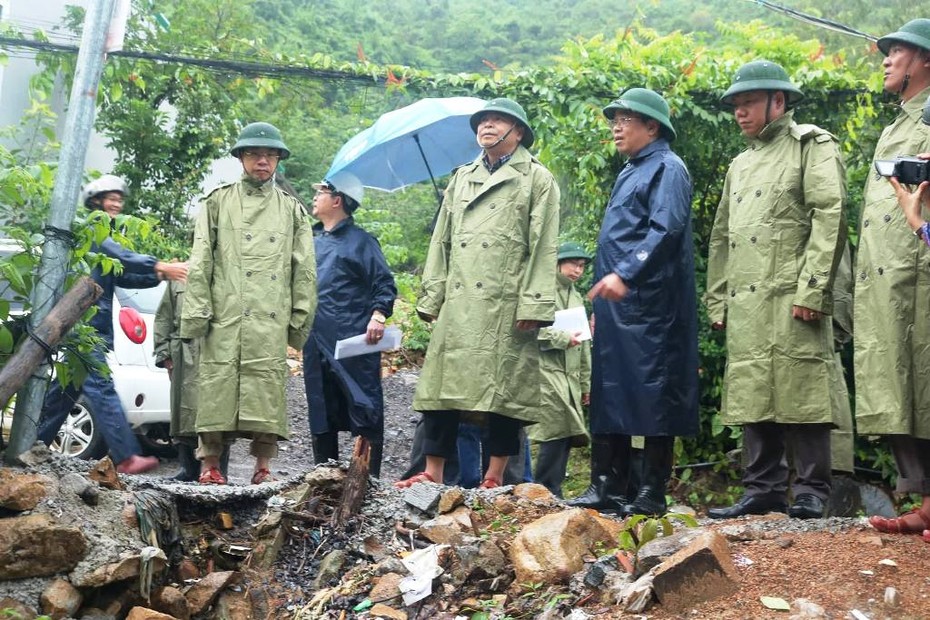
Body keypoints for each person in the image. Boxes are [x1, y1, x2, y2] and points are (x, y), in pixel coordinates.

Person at [705, 60, 847, 520]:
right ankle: (761, 488)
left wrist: (813, 290)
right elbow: (722, 238)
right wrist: (717, 297)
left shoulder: (812, 146)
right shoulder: (739, 166)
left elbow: (830, 215)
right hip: (746, 299)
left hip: (791, 292)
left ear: (778, 101)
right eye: (736, 105)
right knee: (751, 388)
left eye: (748, 102)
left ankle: (810, 490)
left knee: (802, 385)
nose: (739, 113)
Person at [395, 97, 560, 489]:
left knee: (504, 389)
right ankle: (432, 471)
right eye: (483, 120)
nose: (487, 126)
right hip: (460, 296)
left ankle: (494, 475)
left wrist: (534, 302)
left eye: (498, 120)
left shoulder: (537, 179)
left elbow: (544, 246)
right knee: (441, 387)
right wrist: (433, 295)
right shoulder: (462, 176)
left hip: (505, 298)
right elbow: (442, 240)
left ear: (517, 132)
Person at [568, 88, 698, 517]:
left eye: (626, 119)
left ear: (652, 126)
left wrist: (626, 274)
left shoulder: (668, 168)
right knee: (610, 390)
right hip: (616, 303)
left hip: (653, 303)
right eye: (614, 119)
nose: (616, 127)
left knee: (654, 392)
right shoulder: (630, 171)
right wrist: (602, 297)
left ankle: (651, 492)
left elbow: (665, 230)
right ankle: (607, 485)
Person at [180, 122, 317, 485]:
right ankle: (209, 464)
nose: (263, 162)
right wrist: (197, 313)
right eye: (255, 154)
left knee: (266, 389)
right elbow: (200, 262)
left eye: (270, 156)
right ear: (241, 158)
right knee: (216, 385)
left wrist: (298, 320)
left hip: (269, 316)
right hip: (225, 313)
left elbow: (303, 270)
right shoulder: (218, 202)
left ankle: (263, 467)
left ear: (278, 161)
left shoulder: (292, 210)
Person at [38, 175, 188, 474]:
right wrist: (157, 264)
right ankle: (127, 456)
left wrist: (159, 275)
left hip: (97, 329)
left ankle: (32, 442)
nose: (117, 202)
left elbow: (121, 274)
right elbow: (120, 256)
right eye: (111, 197)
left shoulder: (107, 237)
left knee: (65, 390)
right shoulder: (91, 232)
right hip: (85, 329)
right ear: (95, 201)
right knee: (102, 387)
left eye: (120, 197)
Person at [856, 18, 930, 537]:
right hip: (891, 274)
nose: (885, 58)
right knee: (901, 388)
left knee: (924, 383)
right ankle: (927, 498)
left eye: (897, 50)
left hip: (920, 268)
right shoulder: (895, 125)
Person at [303, 170, 397, 478]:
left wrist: (379, 314)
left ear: (337, 200)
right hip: (315, 338)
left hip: (354, 339)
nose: (315, 197)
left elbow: (383, 283)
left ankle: (368, 481)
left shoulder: (362, 242)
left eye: (321, 192)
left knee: (364, 405)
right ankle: (322, 479)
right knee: (320, 408)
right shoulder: (309, 241)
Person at [528, 241, 592, 498]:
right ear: (558, 263)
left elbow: (584, 343)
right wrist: (562, 338)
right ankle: (542, 490)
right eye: (573, 264)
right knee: (552, 431)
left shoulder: (576, 295)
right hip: (546, 371)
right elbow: (531, 328)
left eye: (582, 266)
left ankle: (553, 490)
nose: (578, 271)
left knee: (566, 433)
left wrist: (586, 384)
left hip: (571, 376)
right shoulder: (543, 290)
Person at [154, 278, 230, 481]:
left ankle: (218, 470)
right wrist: (165, 355)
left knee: (220, 412)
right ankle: (188, 470)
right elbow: (164, 316)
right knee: (184, 414)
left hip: (219, 353)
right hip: (184, 355)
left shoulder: (228, 273)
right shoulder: (177, 279)